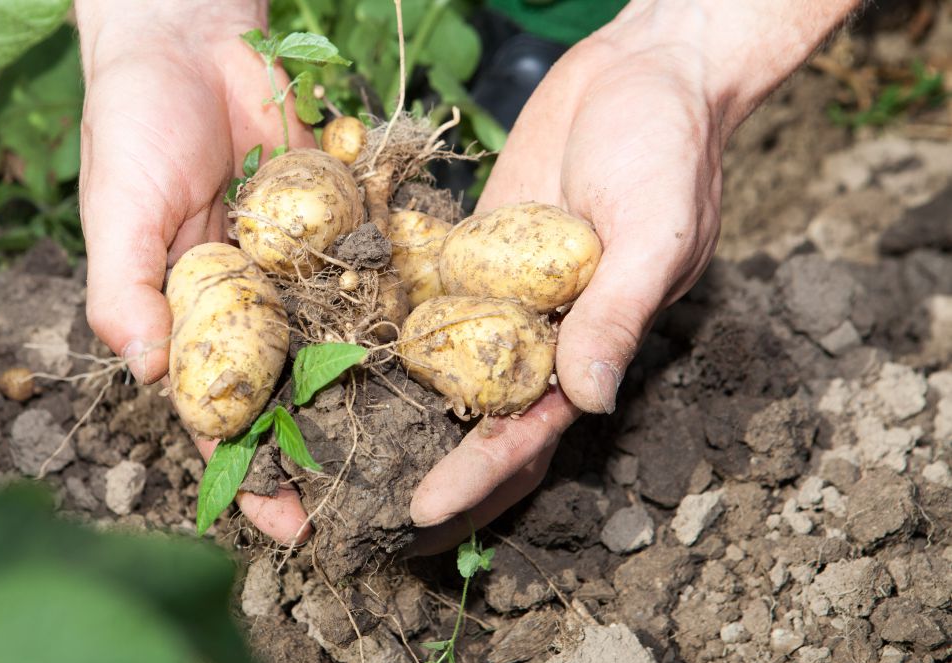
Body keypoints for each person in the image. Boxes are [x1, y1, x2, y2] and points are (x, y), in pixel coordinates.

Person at [73, 0, 861, 549]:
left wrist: (689, 46)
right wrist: (167, 22)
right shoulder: (314, 240)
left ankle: (562, 24)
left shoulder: (429, 294)